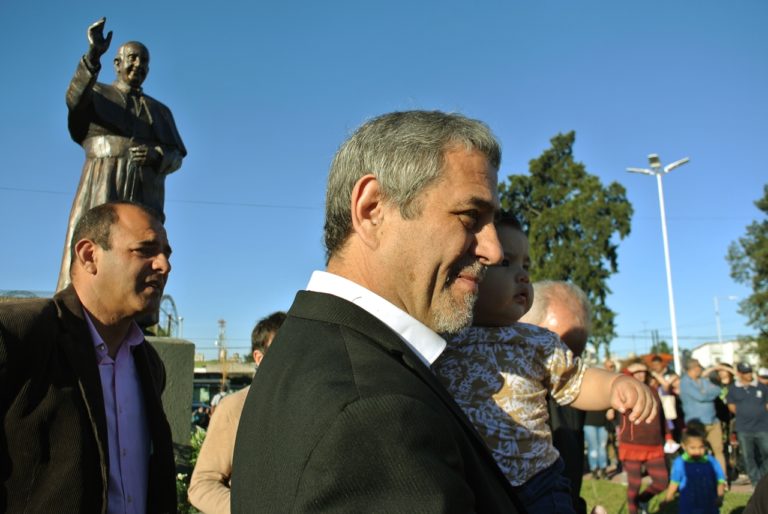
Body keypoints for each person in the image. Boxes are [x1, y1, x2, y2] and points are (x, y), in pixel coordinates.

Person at [231, 110, 522, 513]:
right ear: (373, 210)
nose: (494, 251)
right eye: (471, 217)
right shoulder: (373, 410)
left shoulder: (311, 348)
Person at [433, 213, 656, 514]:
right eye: (505, 263)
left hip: (537, 482)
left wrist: (614, 385)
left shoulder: (535, 342)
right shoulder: (440, 338)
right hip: (471, 483)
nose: (523, 275)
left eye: (526, 265)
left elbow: (577, 383)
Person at [0, 201, 176, 513]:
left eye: (166, 253)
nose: (164, 265)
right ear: (89, 255)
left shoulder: (148, 364)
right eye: (145, 249)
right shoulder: (20, 336)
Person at [58, 17, 186, 291]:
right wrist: (93, 55)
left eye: (144, 62)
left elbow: (176, 155)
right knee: (97, 244)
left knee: (141, 249)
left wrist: (156, 155)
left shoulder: (159, 111)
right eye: (133, 58)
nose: (138, 65)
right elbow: (74, 99)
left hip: (144, 194)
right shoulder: (97, 94)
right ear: (117, 63)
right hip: (104, 181)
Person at [188, 311, 286, 514]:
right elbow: (202, 485)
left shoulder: (318, 403)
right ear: (259, 357)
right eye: (282, 348)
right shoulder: (235, 408)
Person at [520, 280, 592, 514]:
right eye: (557, 351)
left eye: (575, 357)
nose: (566, 367)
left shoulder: (574, 392)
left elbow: (569, 479)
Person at [614, 362, 669, 514]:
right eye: (637, 372)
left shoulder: (653, 390)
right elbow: (618, 378)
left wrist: (668, 436)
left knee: (662, 482)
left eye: (643, 372)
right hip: (632, 444)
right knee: (635, 484)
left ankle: (642, 500)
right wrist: (628, 369)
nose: (641, 374)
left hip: (654, 444)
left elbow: (662, 416)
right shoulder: (626, 390)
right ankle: (634, 511)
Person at [679, 358, 730, 475]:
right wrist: (706, 394)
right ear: (692, 369)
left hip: (713, 421)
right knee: (698, 451)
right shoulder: (685, 383)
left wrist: (705, 393)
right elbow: (700, 397)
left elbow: (717, 390)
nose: (700, 369)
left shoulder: (703, 381)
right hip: (697, 423)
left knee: (719, 451)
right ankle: (699, 476)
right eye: (698, 367)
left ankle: (722, 479)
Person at [663, 427, 726, 514]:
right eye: (693, 448)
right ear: (684, 446)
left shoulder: (711, 461)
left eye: (701, 447)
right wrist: (668, 497)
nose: (697, 451)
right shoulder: (680, 462)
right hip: (688, 505)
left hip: (709, 504)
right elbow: (675, 481)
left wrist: (720, 495)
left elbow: (720, 479)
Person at [727, 362, 768, 487]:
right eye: (745, 372)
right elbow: (731, 406)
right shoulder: (733, 389)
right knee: (748, 456)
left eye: (750, 371)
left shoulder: (762, 387)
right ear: (739, 374)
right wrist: (745, 413)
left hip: (762, 426)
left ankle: (762, 477)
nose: (749, 374)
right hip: (744, 428)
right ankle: (756, 482)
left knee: (766, 452)